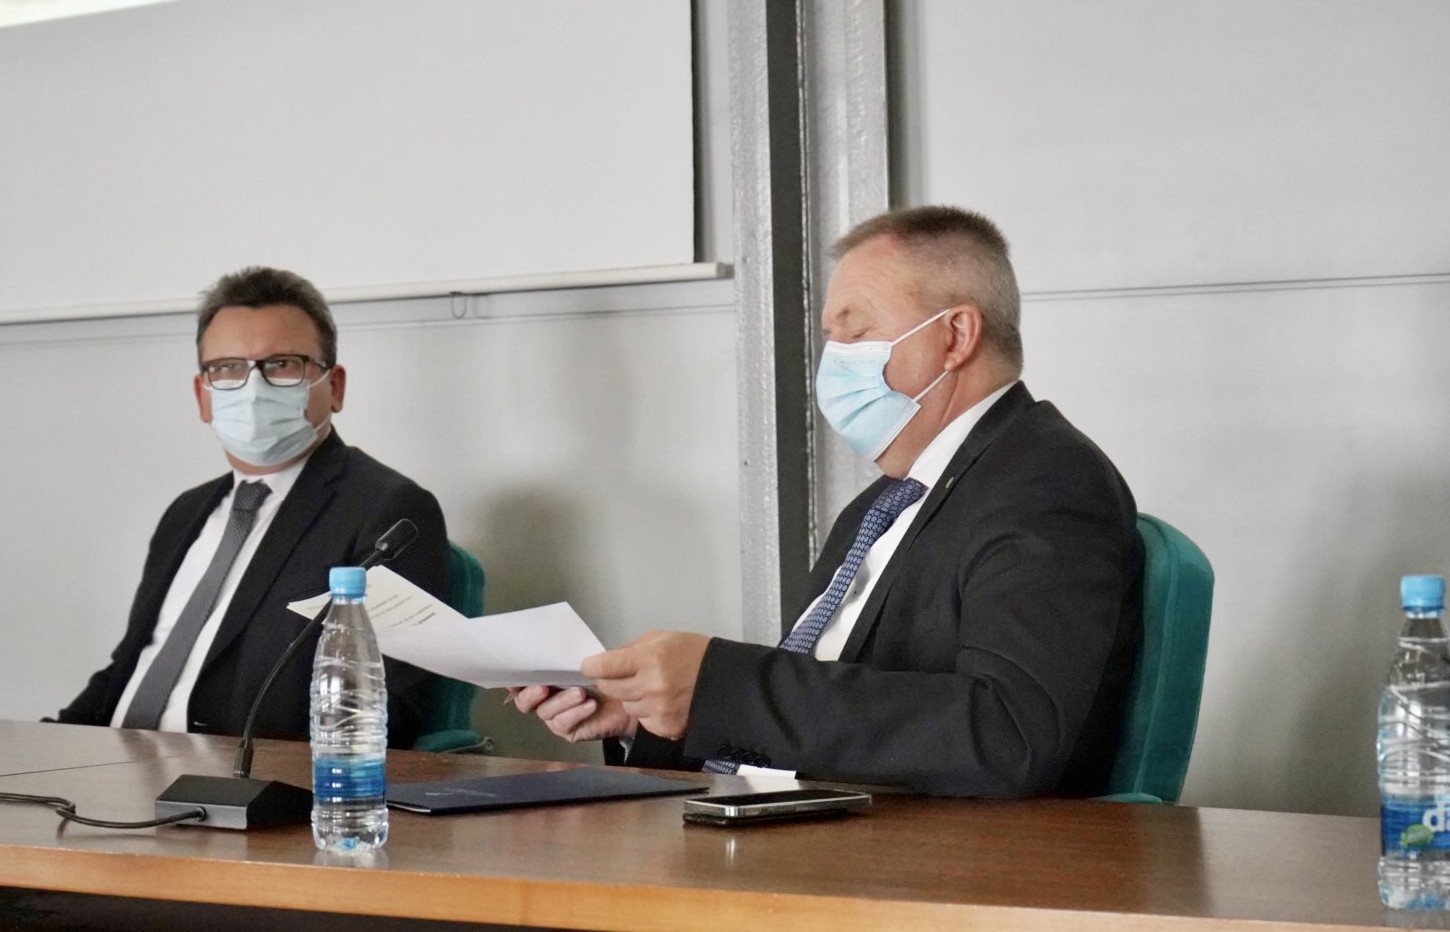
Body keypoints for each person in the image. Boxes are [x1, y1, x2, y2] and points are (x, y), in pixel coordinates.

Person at [513, 206, 1141, 796]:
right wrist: (654, 714)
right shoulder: (883, 505)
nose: (833, 363)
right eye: (831, 340)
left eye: (857, 333)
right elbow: (823, 722)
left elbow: (1009, 735)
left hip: (926, 859)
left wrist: (717, 690)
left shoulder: (1045, 484)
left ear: (955, 336)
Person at [58, 267, 449, 745]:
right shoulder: (185, 513)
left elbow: (381, 707)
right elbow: (130, 665)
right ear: (202, 396)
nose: (253, 388)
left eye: (282, 364)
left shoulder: (387, 509)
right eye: (227, 368)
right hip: (112, 764)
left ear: (335, 386)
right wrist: (46, 748)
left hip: (241, 774)